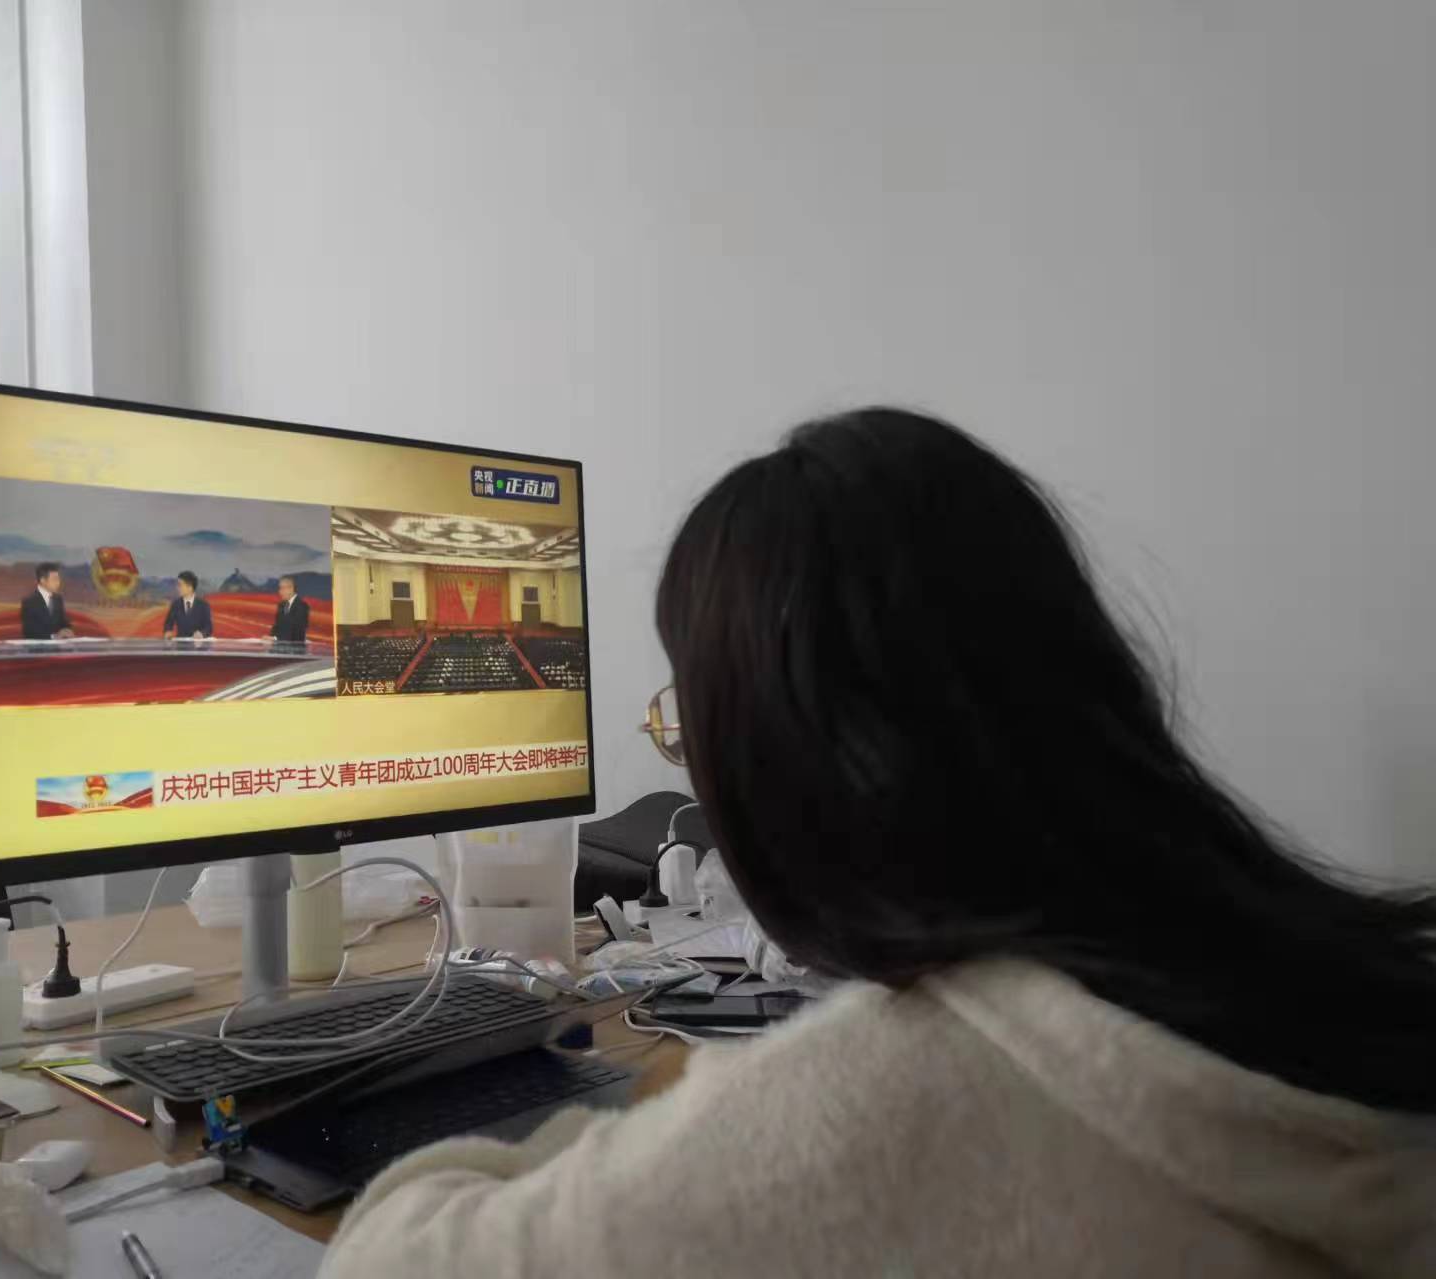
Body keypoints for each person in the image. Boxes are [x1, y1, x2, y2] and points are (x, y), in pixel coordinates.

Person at [321, 409, 1436, 1279]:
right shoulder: (1303, 979)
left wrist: (634, 1143)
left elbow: (385, 1261)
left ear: (790, 758)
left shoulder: (875, 1105)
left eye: (695, 724)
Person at [19, 562, 74, 640]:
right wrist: (53, 637)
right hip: (38, 646)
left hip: (58, 645)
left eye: (58, 579)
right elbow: (29, 631)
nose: (58, 582)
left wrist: (67, 630)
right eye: (54, 579)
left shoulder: (58, 599)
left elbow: (63, 622)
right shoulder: (29, 602)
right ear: (43, 580)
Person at [162, 571, 213, 639]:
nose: (177, 588)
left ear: (190, 587)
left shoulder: (203, 605)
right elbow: (168, 624)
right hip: (180, 643)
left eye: (180, 585)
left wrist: (202, 634)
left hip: (198, 643)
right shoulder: (176, 605)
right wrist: (168, 631)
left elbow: (208, 627)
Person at [269, 574, 310, 647]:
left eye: (282, 588)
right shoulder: (281, 605)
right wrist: (271, 637)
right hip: (279, 647)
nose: (279, 592)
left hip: (295, 649)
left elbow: (297, 632)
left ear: (291, 588)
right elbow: (277, 626)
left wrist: (276, 639)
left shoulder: (302, 606)